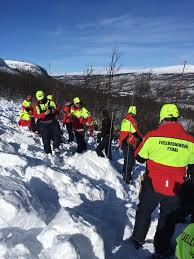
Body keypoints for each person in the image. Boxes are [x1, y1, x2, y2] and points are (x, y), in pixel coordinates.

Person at [131, 104, 194, 258]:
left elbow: (139, 157)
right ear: (177, 119)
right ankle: (162, 248)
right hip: (175, 188)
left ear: (161, 117)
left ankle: (138, 239)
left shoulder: (152, 136)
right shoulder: (190, 140)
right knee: (167, 217)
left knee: (144, 211)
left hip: (153, 183)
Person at [119, 105, 142, 184]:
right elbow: (136, 132)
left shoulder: (125, 119)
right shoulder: (131, 120)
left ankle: (125, 173)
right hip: (128, 143)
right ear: (133, 113)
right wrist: (142, 138)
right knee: (130, 160)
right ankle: (127, 177)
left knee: (127, 159)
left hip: (124, 142)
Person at [34, 90, 61, 155]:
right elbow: (37, 115)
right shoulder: (36, 105)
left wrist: (54, 110)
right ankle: (48, 153)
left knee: (57, 134)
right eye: (39, 99)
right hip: (43, 124)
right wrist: (45, 114)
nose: (41, 100)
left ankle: (56, 147)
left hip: (52, 121)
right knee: (46, 139)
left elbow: (57, 109)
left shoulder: (50, 101)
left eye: (42, 99)